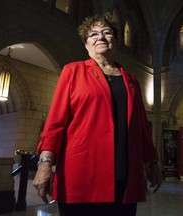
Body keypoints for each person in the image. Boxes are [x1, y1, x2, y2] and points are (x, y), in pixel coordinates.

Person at [32, 12, 162, 216]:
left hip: (125, 178)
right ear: (86, 44)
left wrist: (152, 162)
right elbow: (55, 122)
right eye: (93, 34)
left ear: (115, 41)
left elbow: (142, 128)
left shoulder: (131, 80)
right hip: (82, 175)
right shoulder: (72, 71)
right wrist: (44, 162)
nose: (100, 37)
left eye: (106, 32)